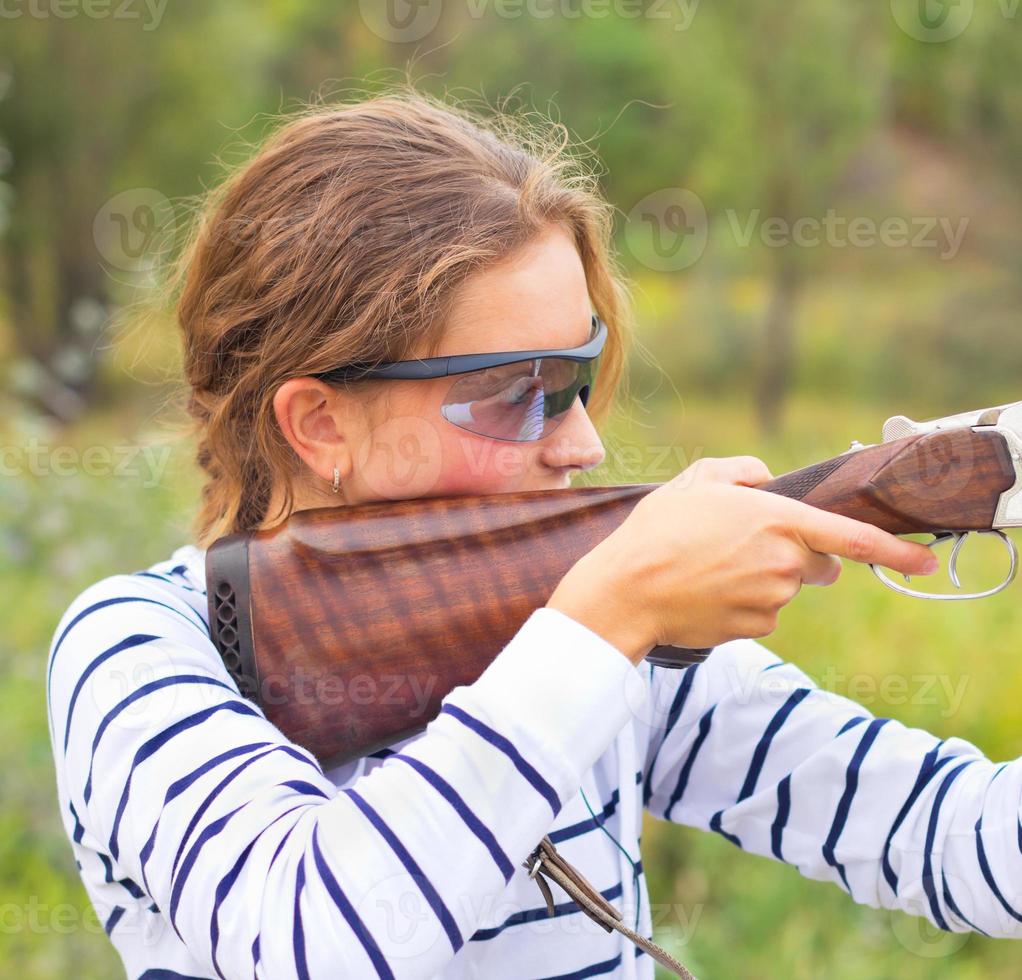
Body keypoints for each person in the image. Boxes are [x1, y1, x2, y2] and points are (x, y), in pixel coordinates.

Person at [46, 86, 1022, 980]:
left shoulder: (600, 628)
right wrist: (603, 623)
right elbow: (309, 940)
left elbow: (955, 841)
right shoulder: (142, 646)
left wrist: (608, 623)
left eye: (580, 373)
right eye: (521, 393)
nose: (585, 439)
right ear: (320, 424)